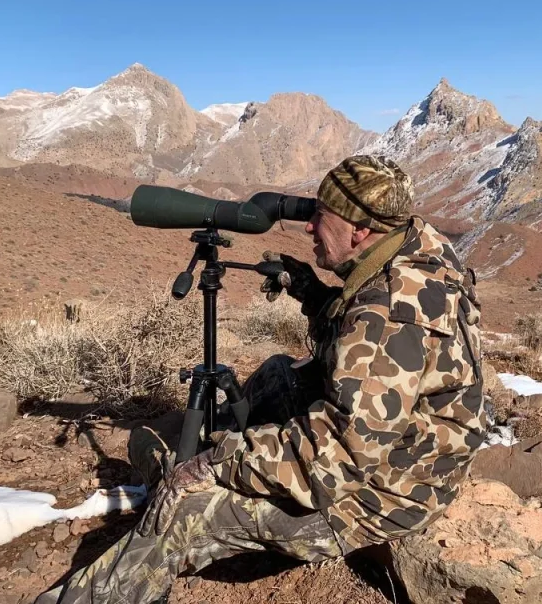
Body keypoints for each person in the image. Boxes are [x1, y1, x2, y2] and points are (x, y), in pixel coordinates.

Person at [36, 154, 488, 604]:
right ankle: (217, 459)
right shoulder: (417, 244)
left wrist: (216, 463)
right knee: (276, 373)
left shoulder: (386, 314)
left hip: (385, 493)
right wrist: (309, 290)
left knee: (183, 510)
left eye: (320, 217)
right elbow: (364, 345)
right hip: (404, 446)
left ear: (360, 230)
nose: (309, 227)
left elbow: (337, 462)